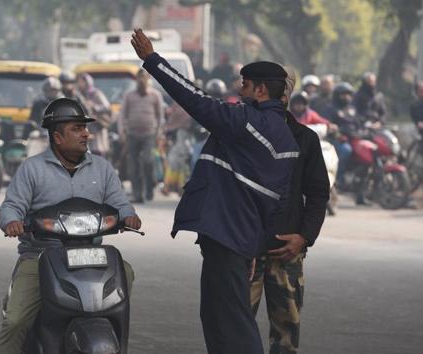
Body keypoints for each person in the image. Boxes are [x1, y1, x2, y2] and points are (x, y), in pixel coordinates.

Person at [131, 28, 299, 354]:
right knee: (218, 317)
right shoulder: (287, 140)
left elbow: (195, 99)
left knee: (232, 322)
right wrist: (253, 248)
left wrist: (152, 60)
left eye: (245, 85)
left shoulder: (246, 122)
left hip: (226, 234)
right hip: (240, 239)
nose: (240, 90)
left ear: (261, 90)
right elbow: (275, 206)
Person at [0, 97, 142, 354]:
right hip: (41, 256)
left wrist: (129, 216)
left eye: (85, 128)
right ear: (57, 137)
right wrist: (12, 222)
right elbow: (11, 206)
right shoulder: (32, 169)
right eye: (77, 129)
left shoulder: (102, 168)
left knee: (125, 271)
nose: (86, 134)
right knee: (15, 321)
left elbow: (120, 203)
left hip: (91, 255)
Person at [250, 74, 330, 354]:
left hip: (287, 252)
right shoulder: (244, 134)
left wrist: (304, 237)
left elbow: (319, 194)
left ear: (285, 97)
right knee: (236, 329)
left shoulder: (305, 139)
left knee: (286, 334)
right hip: (246, 249)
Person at [119, 69, 165, 203]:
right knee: (133, 165)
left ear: (148, 79)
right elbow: (122, 114)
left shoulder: (155, 95)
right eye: (139, 78)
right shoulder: (129, 96)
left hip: (149, 135)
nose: (142, 80)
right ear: (136, 80)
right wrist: (121, 130)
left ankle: (150, 188)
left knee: (148, 161)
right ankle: (137, 194)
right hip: (132, 135)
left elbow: (160, 116)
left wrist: (159, 133)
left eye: (144, 78)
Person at [330, 82, 360, 192]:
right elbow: (328, 125)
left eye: (348, 94)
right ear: (337, 95)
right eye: (343, 94)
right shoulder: (331, 108)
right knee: (346, 151)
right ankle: (339, 178)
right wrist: (338, 135)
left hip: (355, 138)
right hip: (339, 139)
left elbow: (358, 123)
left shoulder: (352, 109)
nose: (346, 96)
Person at [77, 73, 112, 157]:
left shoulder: (96, 93)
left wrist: (94, 106)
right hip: (86, 126)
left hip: (97, 125)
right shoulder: (80, 95)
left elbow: (106, 106)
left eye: (81, 82)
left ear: (87, 82)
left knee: (98, 151)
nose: (79, 84)